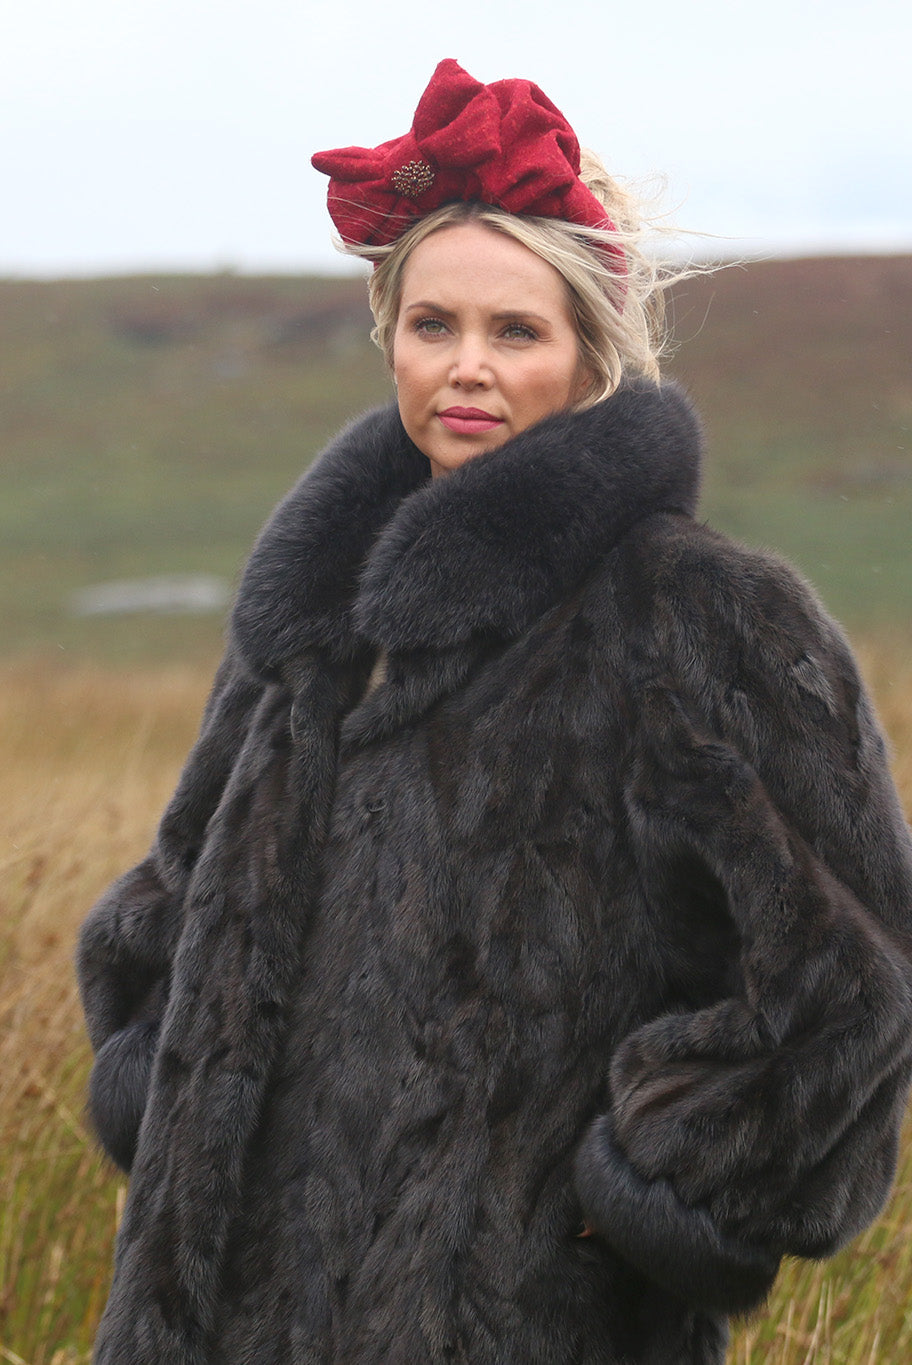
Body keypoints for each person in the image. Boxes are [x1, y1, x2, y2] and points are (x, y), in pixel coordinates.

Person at [77, 59, 912, 1365]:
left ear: (588, 355)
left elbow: (851, 976)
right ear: (389, 335)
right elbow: (178, 891)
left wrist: (645, 1180)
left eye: (516, 331)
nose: (468, 368)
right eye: (434, 324)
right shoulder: (316, 608)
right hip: (218, 1314)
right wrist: (163, 1067)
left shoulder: (704, 618)